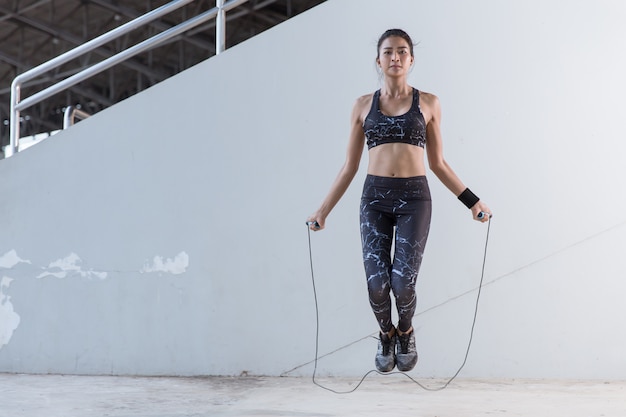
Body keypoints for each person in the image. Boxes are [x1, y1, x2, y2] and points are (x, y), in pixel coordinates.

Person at [306, 29, 492, 373]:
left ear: (411, 60)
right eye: (388, 52)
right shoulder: (363, 105)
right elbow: (350, 166)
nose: (395, 57)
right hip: (374, 200)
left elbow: (438, 163)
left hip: (414, 200)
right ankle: (385, 333)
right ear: (378, 60)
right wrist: (323, 211)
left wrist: (472, 201)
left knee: (402, 282)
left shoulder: (430, 103)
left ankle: (405, 331)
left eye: (402, 52)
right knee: (377, 285)